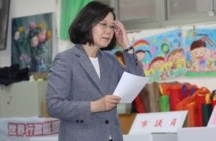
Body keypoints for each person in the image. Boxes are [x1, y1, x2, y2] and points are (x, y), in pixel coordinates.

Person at [46, 1, 144, 141]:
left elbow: (137, 81)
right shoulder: (66, 60)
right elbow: (54, 106)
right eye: (103, 24)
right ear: (86, 24)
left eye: (111, 26)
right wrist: (95, 106)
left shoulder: (110, 61)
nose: (109, 31)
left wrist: (126, 46)